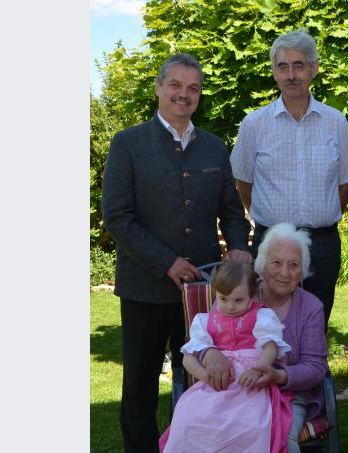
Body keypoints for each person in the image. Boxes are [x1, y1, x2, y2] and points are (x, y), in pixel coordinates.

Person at [101, 53, 252, 453]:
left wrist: (238, 245)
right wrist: (166, 262)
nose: (184, 95)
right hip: (145, 287)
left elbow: (232, 212)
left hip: (203, 292)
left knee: (202, 377)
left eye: (193, 88)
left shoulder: (216, 148)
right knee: (140, 384)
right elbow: (117, 216)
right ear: (159, 87)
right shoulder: (128, 143)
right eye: (176, 86)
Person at [230, 30, 348, 325]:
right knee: (265, 325)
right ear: (274, 72)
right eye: (283, 66)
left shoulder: (336, 122)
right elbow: (244, 184)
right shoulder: (254, 125)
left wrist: (324, 214)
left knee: (315, 323)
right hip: (270, 243)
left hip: (322, 245)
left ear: (314, 69)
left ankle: (312, 372)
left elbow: (347, 183)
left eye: (299, 65)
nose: (291, 74)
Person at [200, 223, 329, 453]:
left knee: (277, 438)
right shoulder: (238, 294)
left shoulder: (310, 307)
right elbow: (205, 336)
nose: (284, 273)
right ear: (261, 265)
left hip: (288, 395)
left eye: (293, 265)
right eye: (276, 262)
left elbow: (315, 367)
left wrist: (279, 375)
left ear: (303, 270)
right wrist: (211, 354)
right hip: (232, 388)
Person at [163, 261, 292, 453]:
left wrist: (258, 368)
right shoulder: (205, 321)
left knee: (252, 425)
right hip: (214, 384)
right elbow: (187, 359)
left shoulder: (262, 316)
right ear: (216, 293)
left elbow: (271, 347)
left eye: (238, 300)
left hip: (248, 383)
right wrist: (206, 377)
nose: (230, 306)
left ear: (252, 296)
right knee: (188, 418)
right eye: (223, 299)